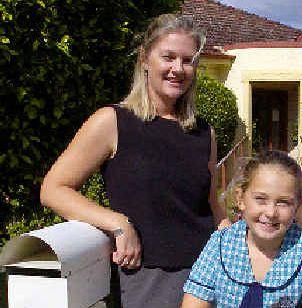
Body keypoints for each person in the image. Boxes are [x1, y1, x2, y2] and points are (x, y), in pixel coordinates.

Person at [40, 14, 228, 307]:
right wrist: (116, 222)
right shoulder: (112, 122)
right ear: (145, 59)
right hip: (148, 280)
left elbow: (211, 204)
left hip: (209, 278)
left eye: (188, 60)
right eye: (168, 57)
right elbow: (53, 188)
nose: (178, 69)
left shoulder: (204, 132)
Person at [182, 150, 302, 307]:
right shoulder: (219, 245)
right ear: (241, 199)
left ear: (298, 206)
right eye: (261, 199)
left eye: (283, 202)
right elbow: (194, 302)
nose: (271, 213)